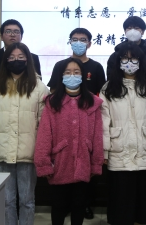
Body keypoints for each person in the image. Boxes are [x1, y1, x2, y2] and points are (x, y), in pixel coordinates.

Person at [0, 42, 49, 225]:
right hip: (1, 151)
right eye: (12, 57)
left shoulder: (39, 87)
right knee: (6, 201)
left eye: (21, 57)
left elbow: (45, 125)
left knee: (27, 201)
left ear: (28, 60)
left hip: (28, 153)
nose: (16, 61)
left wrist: (43, 152)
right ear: (6, 61)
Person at [101, 42, 146, 225]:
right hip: (118, 153)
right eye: (125, 58)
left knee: (143, 209)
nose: (129, 62)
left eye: (134, 58)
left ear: (141, 61)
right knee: (121, 208)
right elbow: (103, 123)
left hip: (144, 152)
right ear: (118, 61)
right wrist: (104, 151)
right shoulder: (108, 88)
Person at [35, 58, 104, 225]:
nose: (72, 75)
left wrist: (96, 162)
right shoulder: (52, 102)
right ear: (61, 75)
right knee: (58, 206)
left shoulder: (92, 102)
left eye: (76, 72)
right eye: (67, 72)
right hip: (59, 162)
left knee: (79, 206)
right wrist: (43, 163)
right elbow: (44, 135)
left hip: (83, 162)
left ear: (83, 75)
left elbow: (97, 136)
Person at [46, 27, 106, 219]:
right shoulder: (60, 65)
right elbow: (53, 91)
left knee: (83, 186)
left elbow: (101, 94)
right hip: (63, 125)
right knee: (60, 197)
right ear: (70, 42)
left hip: (86, 121)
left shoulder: (96, 67)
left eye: (83, 39)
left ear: (89, 43)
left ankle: (85, 206)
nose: (79, 43)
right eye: (75, 39)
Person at [106, 16, 146, 96]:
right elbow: (111, 80)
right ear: (125, 31)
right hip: (120, 97)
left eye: (136, 28)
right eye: (129, 28)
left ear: (143, 31)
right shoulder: (115, 56)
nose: (133, 31)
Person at [0, 19, 41, 88]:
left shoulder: (33, 58)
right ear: (1, 37)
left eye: (16, 32)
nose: (12, 35)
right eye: (8, 31)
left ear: (21, 36)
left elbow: (37, 84)